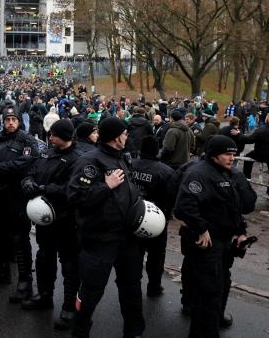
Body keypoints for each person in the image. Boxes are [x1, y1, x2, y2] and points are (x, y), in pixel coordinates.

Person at [67, 117, 145, 338]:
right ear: (115, 137)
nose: (127, 136)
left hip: (127, 238)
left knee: (131, 288)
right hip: (100, 239)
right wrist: (106, 186)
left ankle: (134, 331)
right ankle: (80, 330)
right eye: (125, 133)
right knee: (90, 291)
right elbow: (75, 197)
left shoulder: (122, 158)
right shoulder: (90, 161)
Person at [174, 135, 257, 336]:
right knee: (209, 293)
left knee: (216, 286)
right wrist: (202, 228)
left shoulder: (224, 172)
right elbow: (183, 206)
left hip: (222, 241)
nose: (233, 158)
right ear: (213, 155)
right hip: (207, 243)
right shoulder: (199, 173)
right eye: (227, 154)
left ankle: (208, 318)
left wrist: (240, 232)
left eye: (234, 154)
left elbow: (232, 207)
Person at [20, 119, 81, 331]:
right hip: (43, 217)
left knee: (70, 264)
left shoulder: (78, 159)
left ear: (64, 136)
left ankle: (69, 306)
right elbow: (31, 171)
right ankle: (45, 295)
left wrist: (45, 188)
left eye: (54, 134)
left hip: (66, 220)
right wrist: (28, 183)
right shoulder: (47, 152)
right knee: (44, 256)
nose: (50, 137)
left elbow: (72, 189)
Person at [0, 106, 39, 304]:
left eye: (14, 119)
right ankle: (2, 270)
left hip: (18, 195)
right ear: (2, 121)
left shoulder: (27, 140)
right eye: (7, 119)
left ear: (19, 121)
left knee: (20, 238)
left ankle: (24, 282)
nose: (10, 122)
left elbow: (24, 164)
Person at [131, 136, 175, 298]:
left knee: (134, 254)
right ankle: (154, 286)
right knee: (156, 255)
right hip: (157, 219)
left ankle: (133, 284)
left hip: (133, 216)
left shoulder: (130, 165)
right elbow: (172, 197)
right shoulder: (165, 171)